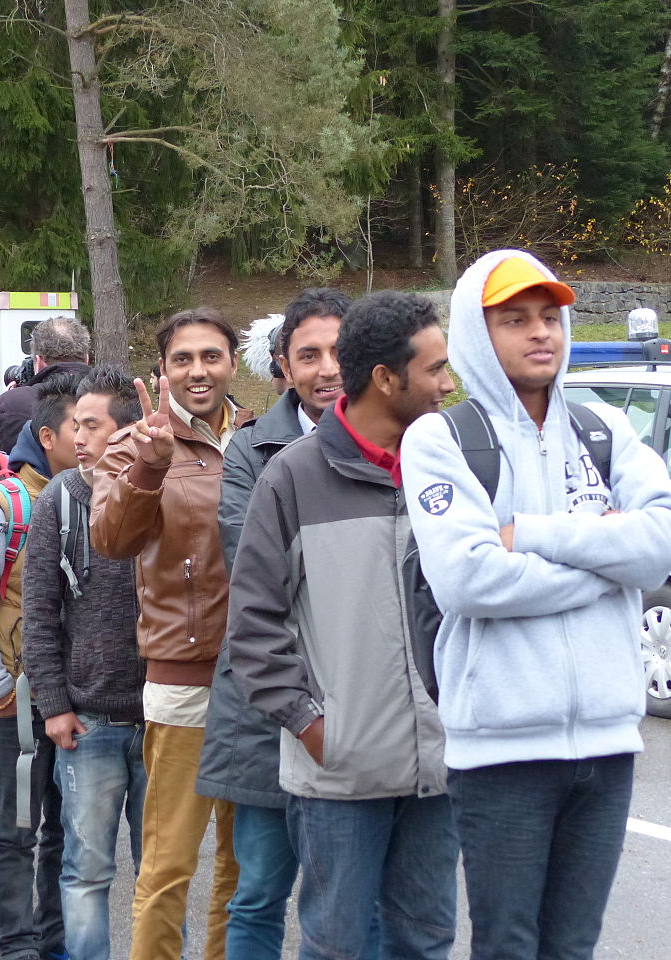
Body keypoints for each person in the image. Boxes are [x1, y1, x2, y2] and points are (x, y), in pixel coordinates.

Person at [402, 250, 671, 960]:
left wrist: (530, 535)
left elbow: (661, 543)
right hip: (500, 750)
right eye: (515, 319)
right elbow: (468, 581)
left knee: (573, 947)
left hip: (608, 744)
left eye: (550, 317)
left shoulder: (603, 430)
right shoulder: (441, 439)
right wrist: (607, 564)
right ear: (476, 332)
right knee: (508, 946)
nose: (541, 334)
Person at [228, 291, 460, 960]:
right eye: (434, 369)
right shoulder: (292, 476)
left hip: (440, 765)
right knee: (337, 945)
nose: (447, 384)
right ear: (386, 380)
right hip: (340, 773)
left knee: (426, 939)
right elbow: (253, 624)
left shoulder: (448, 463)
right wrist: (313, 724)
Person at [89, 307, 247, 960]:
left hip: (265, 680)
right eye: (182, 359)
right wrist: (150, 469)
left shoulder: (262, 438)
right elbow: (112, 540)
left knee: (248, 870)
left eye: (211, 356)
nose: (198, 370)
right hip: (184, 680)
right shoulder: (135, 444)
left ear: (233, 363)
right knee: (169, 864)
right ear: (162, 370)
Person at [196, 288, 348, 960]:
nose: (326, 368)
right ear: (283, 365)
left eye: (339, 351)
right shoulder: (250, 451)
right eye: (308, 354)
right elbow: (255, 564)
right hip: (265, 704)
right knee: (257, 891)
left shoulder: (399, 444)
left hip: (361, 699)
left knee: (348, 895)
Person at [0, 373, 81, 960]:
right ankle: (14, 940)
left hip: (76, 699)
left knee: (61, 831)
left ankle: (53, 938)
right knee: (14, 829)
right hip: (18, 703)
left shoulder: (91, 498)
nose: (90, 440)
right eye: (79, 427)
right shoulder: (3, 507)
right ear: (48, 435)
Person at [22, 367, 145, 960]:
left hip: (165, 718)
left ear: (126, 431)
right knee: (85, 869)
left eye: (91, 425)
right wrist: (55, 706)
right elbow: (38, 611)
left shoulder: (162, 491)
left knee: (159, 872)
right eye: (75, 424)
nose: (77, 436)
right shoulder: (60, 499)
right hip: (87, 722)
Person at [0, 316, 91, 453]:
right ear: (87, 358)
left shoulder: (11, 404)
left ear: (39, 362)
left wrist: (11, 398)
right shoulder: (115, 396)